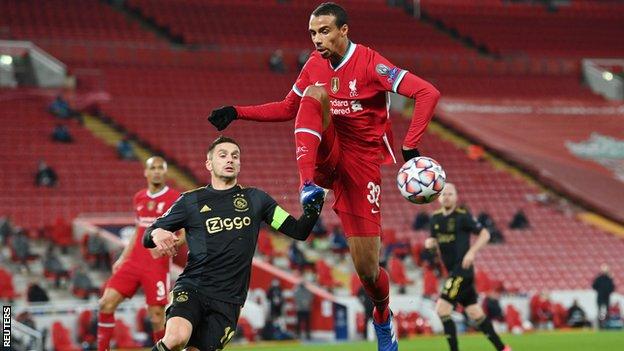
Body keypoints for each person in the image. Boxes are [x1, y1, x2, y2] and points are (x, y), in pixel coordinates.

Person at [208, 4, 440, 349]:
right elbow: (289, 108)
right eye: (313, 33)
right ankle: (307, 186)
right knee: (314, 95)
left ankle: (382, 316)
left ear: (344, 30)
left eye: (325, 31)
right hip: (329, 153)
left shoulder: (371, 64)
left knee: (368, 273)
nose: (317, 40)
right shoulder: (314, 65)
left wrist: (410, 146)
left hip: (362, 167)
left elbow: (427, 92)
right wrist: (237, 111)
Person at [142, 136, 324, 351]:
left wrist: (314, 205)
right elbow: (148, 235)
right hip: (193, 286)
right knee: (176, 338)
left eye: (235, 156)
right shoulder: (190, 201)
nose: (230, 159)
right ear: (209, 164)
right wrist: (158, 233)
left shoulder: (257, 200)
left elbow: (298, 230)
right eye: (223, 155)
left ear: (239, 164)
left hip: (229, 299)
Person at [97, 156, 183, 351]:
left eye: (161, 168)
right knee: (105, 304)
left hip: (157, 263)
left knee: (156, 316)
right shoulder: (139, 197)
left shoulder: (176, 198)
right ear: (146, 172)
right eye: (153, 168)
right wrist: (122, 257)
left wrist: (169, 245)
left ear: (165, 172)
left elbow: (184, 233)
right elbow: (138, 230)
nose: (157, 171)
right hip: (134, 260)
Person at [425, 183, 511, 351]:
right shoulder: (435, 218)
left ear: (456, 197)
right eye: (444, 194)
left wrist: (471, 252)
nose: (447, 197)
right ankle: (503, 348)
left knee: (442, 310)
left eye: (450, 194)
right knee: (475, 312)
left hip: (461, 271)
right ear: (438, 198)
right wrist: (431, 243)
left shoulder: (462, 216)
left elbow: (485, 234)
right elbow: (435, 242)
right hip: (452, 271)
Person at [592, 263, 615, 327]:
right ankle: (600, 324)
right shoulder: (599, 279)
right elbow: (594, 286)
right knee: (600, 311)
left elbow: (612, 287)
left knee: (607, 311)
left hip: (606, 297)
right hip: (601, 297)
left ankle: (607, 324)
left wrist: (607, 292)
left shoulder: (609, 279)